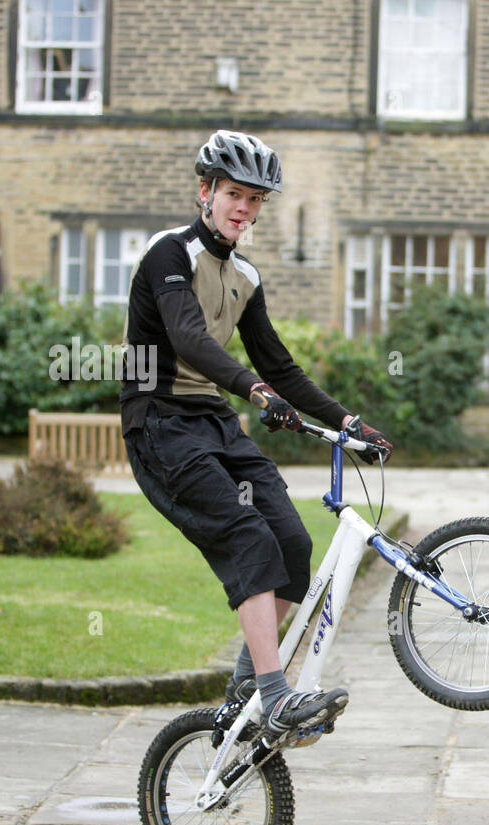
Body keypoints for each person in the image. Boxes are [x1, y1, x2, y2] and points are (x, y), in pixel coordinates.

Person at [120, 130, 393, 748]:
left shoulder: (244, 273)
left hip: (211, 422)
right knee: (247, 539)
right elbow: (189, 338)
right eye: (234, 194)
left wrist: (349, 423)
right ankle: (276, 697)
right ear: (206, 192)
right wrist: (253, 391)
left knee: (292, 543)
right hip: (159, 423)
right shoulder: (169, 254)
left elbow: (281, 367)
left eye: (255, 199)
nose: (243, 208)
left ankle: (248, 691)